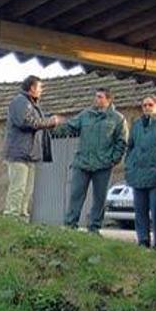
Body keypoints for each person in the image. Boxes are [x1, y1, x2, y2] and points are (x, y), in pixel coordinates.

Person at [61, 87, 128, 234]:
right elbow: (70, 127)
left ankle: (94, 227)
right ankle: (70, 224)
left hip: (103, 165)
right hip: (82, 162)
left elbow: (121, 142)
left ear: (108, 100)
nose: (96, 99)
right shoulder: (86, 115)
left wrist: (113, 159)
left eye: (100, 97)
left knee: (99, 198)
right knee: (76, 194)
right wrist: (53, 126)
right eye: (96, 96)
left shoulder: (118, 119)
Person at [2, 75, 63, 221]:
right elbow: (25, 122)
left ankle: (22, 218)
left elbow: (35, 120)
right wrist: (49, 122)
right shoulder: (20, 101)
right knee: (18, 188)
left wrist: (50, 121)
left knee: (27, 190)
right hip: (19, 153)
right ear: (32, 88)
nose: (41, 90)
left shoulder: (31, 104)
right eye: (40, 87)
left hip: (29, 154)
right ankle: (11, 218)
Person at [125, 96, 156, 248]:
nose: (146, 107)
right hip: (138, 174)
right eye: (144, 105)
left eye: (150, 105)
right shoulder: (137, 125)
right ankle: (143, 240)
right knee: (140, 211)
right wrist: (129, 164)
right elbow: (130, 146)